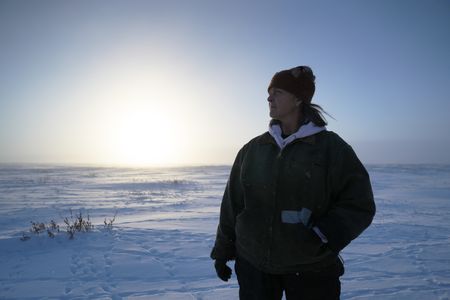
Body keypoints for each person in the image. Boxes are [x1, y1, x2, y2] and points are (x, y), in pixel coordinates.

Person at [210, 66, 376, 300]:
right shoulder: (253, 150)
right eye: (269, 92)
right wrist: (223, 250)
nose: (269, 97)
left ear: (298, 99)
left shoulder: (331, 149)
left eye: (277, 92)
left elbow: (360, 203)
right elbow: (232, 204)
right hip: (255, 267)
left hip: (312, 269)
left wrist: (324, 234)